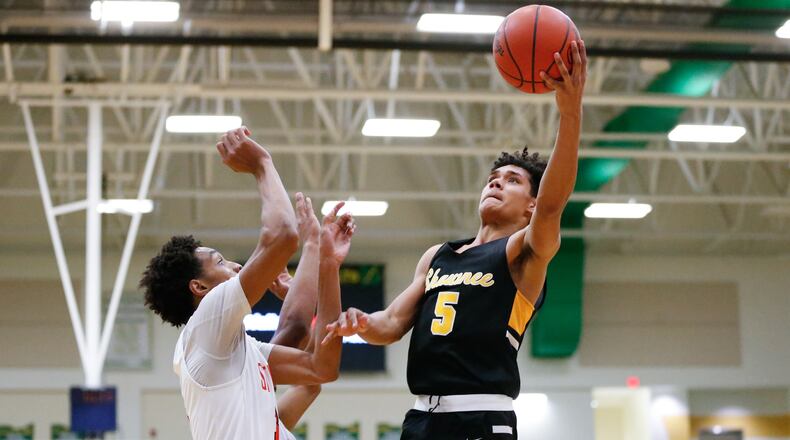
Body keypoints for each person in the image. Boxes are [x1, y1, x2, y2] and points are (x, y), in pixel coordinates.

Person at [323, 41, 587, 439]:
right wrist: (360, 322)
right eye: (493, 179)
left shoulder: (522, 253)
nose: (496, 182)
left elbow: (553, 206)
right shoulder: (439, 256)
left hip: (480, 416)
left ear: (530, 206)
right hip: (421, 419)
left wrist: (570, 114)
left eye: (513, 181)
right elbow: (391, 323)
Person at [140, 127, 355, 440]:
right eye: (220, 262)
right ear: (198, 287)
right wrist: (261, 164)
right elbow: (281, 235)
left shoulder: (231, 350)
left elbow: (317, 366)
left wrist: (324, 260)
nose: (235, 266)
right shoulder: (205, 323)